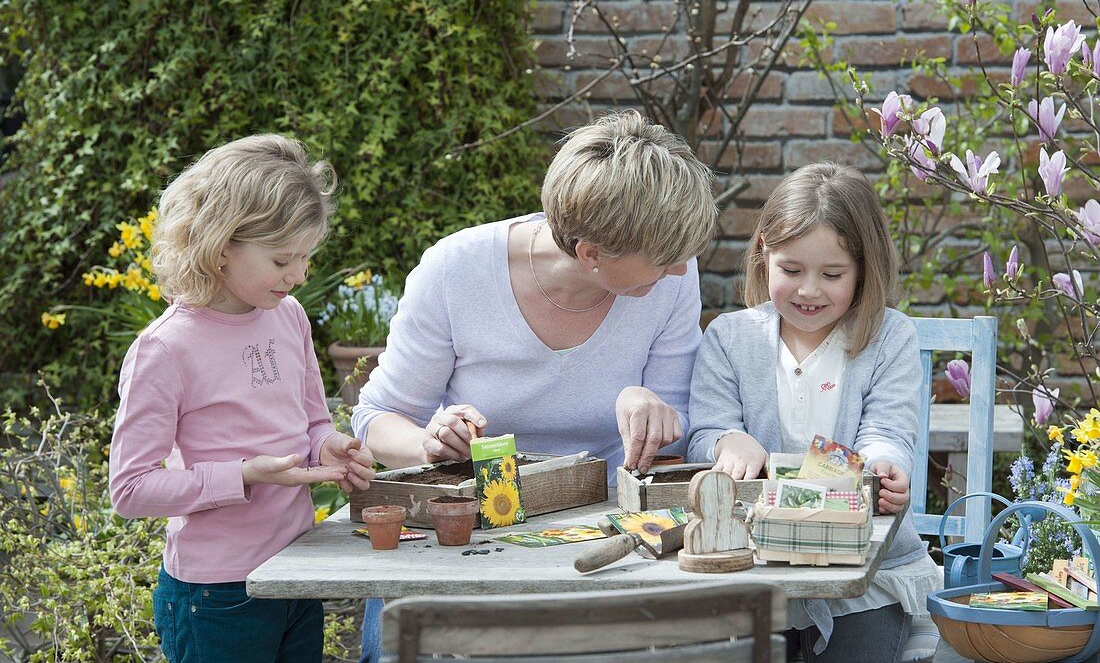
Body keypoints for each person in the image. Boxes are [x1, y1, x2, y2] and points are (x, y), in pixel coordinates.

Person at [352, 109, 718, 662]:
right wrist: (427, 444)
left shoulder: (673, 279)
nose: (677, 271)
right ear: (592, 253)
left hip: (603, 530)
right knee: (398, 643)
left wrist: (648, 405)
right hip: (470, 527)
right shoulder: (456, 270)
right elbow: (377, 416)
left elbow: (677, 436)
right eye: (664, 259)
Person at [109, 135, 376, 662]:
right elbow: (131, 489)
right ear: (221, 244)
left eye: (305, 257)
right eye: (282, 260)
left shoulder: (289, 315)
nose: (299, 275)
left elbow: (312, 423)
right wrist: (245, 475)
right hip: (217, 595)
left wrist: (329, 447)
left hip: (297, 571)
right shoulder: (164, 349)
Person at [686, 163, 940, 662]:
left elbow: (888, 428)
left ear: (864, 270)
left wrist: (885, 465)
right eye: (791, 270)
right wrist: (725, 441)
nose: (808, 291)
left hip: (863, 571)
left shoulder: (888, 337)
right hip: (753, 565)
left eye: (831, 275)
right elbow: (704, 431)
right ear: (764, 258)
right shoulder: (730, 338)